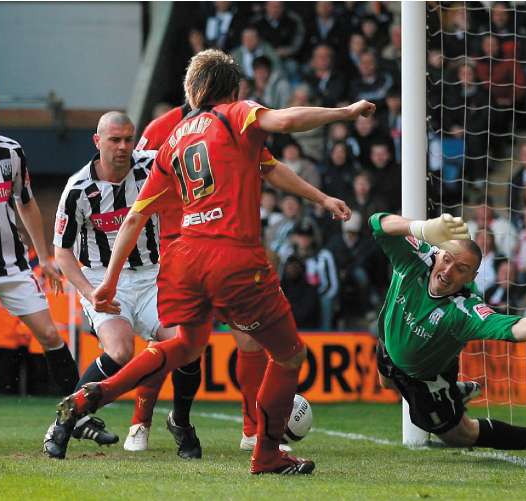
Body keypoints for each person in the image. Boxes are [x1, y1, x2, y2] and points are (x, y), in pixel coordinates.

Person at [46, 49, 374, 475]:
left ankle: (96, 394)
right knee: (290, 354)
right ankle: (267, 452)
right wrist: (345, 111)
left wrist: (107, 281)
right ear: (231, 88)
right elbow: (287, 121)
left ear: (195, 89)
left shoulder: (177, 137)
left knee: (185, 346)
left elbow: (135, 216)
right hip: (233, 256)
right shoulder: (237, 115)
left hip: (183, 259)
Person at [43, 112, 203, 459]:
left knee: (188, 345)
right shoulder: (77, 188)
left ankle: (181, 422)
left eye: (129, 139)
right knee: (120, 351)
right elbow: (62, 252)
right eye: (115, 140)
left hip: (152, 275)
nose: (123, 147)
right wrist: (89, 293)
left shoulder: (151, 167)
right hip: (102, 277)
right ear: (97, 142)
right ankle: (63, 424)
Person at [139, 103, 294, 453]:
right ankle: (141, 420)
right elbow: (138, 187)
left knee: (247, 339)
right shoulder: (165, 127)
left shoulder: (232, 121)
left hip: (224, 246)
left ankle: (252, 429)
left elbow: (267, 167)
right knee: (180, 345)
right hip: (180, 247)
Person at [369, 211, 526, 458]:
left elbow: (510, 327)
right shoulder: (417, 257)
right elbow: (377, 223)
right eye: (447, 259)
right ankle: (455, 392)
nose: (447, 271)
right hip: (390, 343)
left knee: (459, 436)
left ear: (471, 277)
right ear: (439, 252)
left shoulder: (464, 309)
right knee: (386, 382)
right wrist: (420, 228)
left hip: (427, 376)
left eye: (460, 269)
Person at [0, 80, 79, 396]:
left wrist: (43, 257)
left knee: (50, 335)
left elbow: (26, 203)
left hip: (11, 264)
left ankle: (79, 414)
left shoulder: (11, 153)